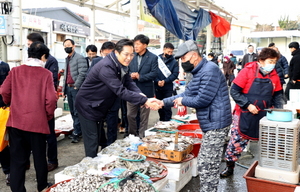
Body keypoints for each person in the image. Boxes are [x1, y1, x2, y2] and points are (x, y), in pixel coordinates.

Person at [153, 40, 232, 192]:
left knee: (207, 163)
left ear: (194, 56)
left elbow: (202, 99)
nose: (182, 62)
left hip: (216, 122)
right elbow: (187, 94)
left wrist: (182, 101)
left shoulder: (209, 70)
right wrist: (161, 103)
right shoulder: (200, 71)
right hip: (211, 121)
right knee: (209, 162)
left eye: (183, 58)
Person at [75, 39, 160, 158]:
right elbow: (120, 90)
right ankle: (90, 168)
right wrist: (145, 101)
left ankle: (101, 162)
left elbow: (128, 82)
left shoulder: (122, 64)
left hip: (100, 105)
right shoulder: (106, 66)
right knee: (92, 142)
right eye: (126, 54)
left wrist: (140, 95)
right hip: (87, 106)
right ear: (116, 52)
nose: (129, 58)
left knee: (100, 138)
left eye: (132, 54)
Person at [1, 42, 57, 192]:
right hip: (37, 123)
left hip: (16, 122)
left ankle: (17, 189)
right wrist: (47, 115)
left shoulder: (15, 71)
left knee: (17, 159)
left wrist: (10, 102)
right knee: (39, 158)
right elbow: (51, 99)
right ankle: (42, 186)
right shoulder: (46, 74)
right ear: (44, 56)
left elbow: (4, 90)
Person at [220, 48, 283, 178]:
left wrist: (279, 110)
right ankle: (229, 167)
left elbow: (277, 95)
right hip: (244, 113)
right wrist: (247, 105)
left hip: (265, 114)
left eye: (274, 61)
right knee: (236, 143)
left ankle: (269, 169)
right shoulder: (247, 71)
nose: (273, 64)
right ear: (261, 60)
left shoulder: (274, 75)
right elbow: (234, 91)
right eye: (270, 61)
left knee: (269, 143)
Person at [27, 32, 59, 172]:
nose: (29, 48)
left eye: (30, 45)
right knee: (32, 135)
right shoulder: (28, 62)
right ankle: (30, 161)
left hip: (45, 104)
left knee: (49, 134)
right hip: (32, 104)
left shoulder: (50, 61)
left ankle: (52, 160)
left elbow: (52, 85)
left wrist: (49, 110)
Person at [87, 41, 119, 148]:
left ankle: (111, 147)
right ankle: (103, 144)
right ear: (101, 52)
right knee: (98, 125)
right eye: (106, 55)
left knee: (112, 126)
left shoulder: (119, 63)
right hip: (98, 100)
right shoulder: (96, 61)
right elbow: (89, 77)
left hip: (113, 100)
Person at [127, 34, 158, 138]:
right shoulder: (131, 56)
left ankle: (142, 136)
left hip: (146, 91)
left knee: (144, 116)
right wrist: (131, 74)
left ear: (145, 45)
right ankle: (132, 135)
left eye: (138, 44)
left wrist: (140, 76)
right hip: (132, 90)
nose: (135, 46)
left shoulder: (153, 57)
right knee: (130, 115)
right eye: (134, 44)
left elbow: (154, 73)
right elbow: (126, 69)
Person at [62, 39, 88, 143]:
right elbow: (66, 75)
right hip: (68, 88)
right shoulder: (66, 59)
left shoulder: (79, 58)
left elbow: (83, 73)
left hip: (76, 88)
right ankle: (77, 130)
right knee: (72, 111)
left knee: (77, 111)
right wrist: (64, 90)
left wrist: (77, 85)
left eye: (68, 45)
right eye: (65, 45)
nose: (66, 47)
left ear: (73, 46)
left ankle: (77, 132)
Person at [154, 43, 179, 121]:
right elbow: (152, 71)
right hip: (157, 86)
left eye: (171, 52)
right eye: (168, 51)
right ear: (164, 49)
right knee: (159, 105)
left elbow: (175, 74)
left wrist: (165, 81)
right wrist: (157, 81)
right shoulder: (156, 59)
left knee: (167, 105)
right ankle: (161, 120)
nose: (170, 54)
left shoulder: (174, 62)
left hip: (168, 87)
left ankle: (168, 121)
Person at [0, 60, 10, 186]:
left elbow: (7, 89)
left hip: (3, 109)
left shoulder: (4, 66)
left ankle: (9, 171)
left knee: (3, 142)